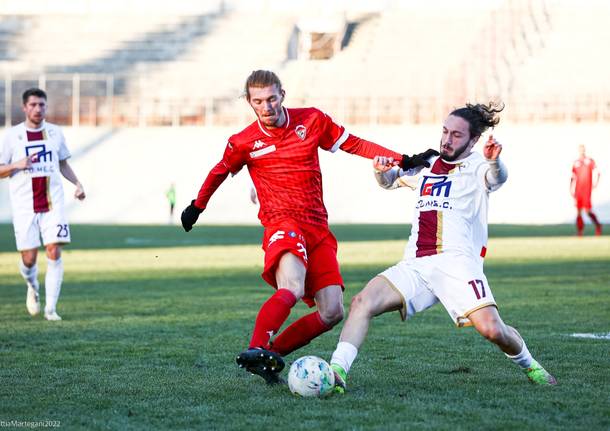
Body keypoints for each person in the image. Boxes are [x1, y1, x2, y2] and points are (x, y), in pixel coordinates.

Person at [181, 70, 437, 384]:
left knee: (332, 312)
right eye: (258, 101)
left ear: (282, 95)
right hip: (282, 224)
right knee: (292, 286)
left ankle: (270, 355)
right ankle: (256, 347)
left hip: (318, 230)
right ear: (249, 101)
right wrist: (198, 206)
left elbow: (352, 144)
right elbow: (219, 172)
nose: (266, 107)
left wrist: (403, 158)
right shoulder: (243, 142)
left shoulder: (312, 120)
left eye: (272, 98)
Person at [329, 102, 557, 393]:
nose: (447, 140)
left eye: (457, 135)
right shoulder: (427, 164)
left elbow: (497, 178)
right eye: (445, 132)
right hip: (416, 263)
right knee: (362, 302)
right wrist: (380, 171)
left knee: (493, 330)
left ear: (473, 140)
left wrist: (494, 161)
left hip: (458, 265)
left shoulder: (478, 167)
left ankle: (530, 365)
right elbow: (390, 181)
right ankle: (337, 372)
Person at [0, 88, 86, 321]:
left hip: (53, 204)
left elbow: (63, 164)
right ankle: (32, 286)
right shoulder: (11, 136)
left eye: (42, 105)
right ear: (25, 107)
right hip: (24, 206)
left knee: (54, 249)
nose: (38, 109)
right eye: (33, 105)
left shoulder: (55, 133)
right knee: (29, 259)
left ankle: (51, 309)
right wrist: (17, 164)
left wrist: (77, 183)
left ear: (46, 107)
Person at [571, 145, 602, 236]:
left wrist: (595, 183)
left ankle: (598, 225)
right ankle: (580, 231)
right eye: (580, 150)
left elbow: (598, 172)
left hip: (586, 189)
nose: (582, 151)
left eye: (583, 149)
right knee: (578, 211)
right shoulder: (576, 163)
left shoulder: (590, 161)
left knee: (588, 210)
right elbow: (573, 177)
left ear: (585, 150)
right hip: (578, 190)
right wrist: (571, 188)